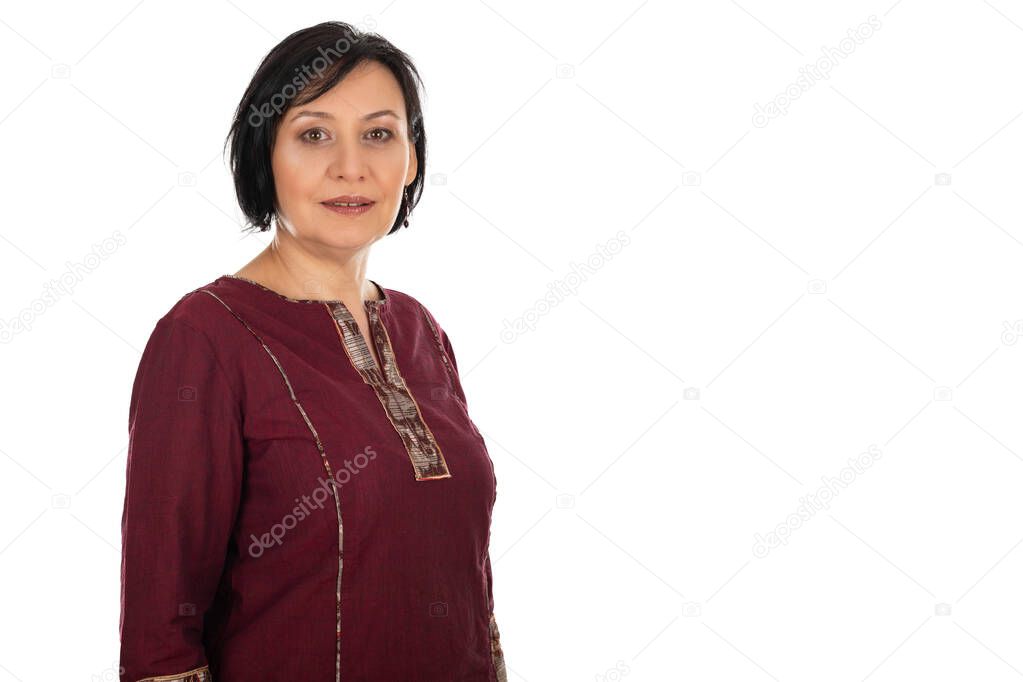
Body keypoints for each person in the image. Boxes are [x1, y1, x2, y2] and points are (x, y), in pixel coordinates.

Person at [119, 21, 507, 681]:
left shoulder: (419, 329)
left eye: (379, 134)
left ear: (411, 158)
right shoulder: (204, 337)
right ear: (263, 154)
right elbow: (162, 625)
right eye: (313, 134)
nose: (350, 167)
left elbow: (466, 577)